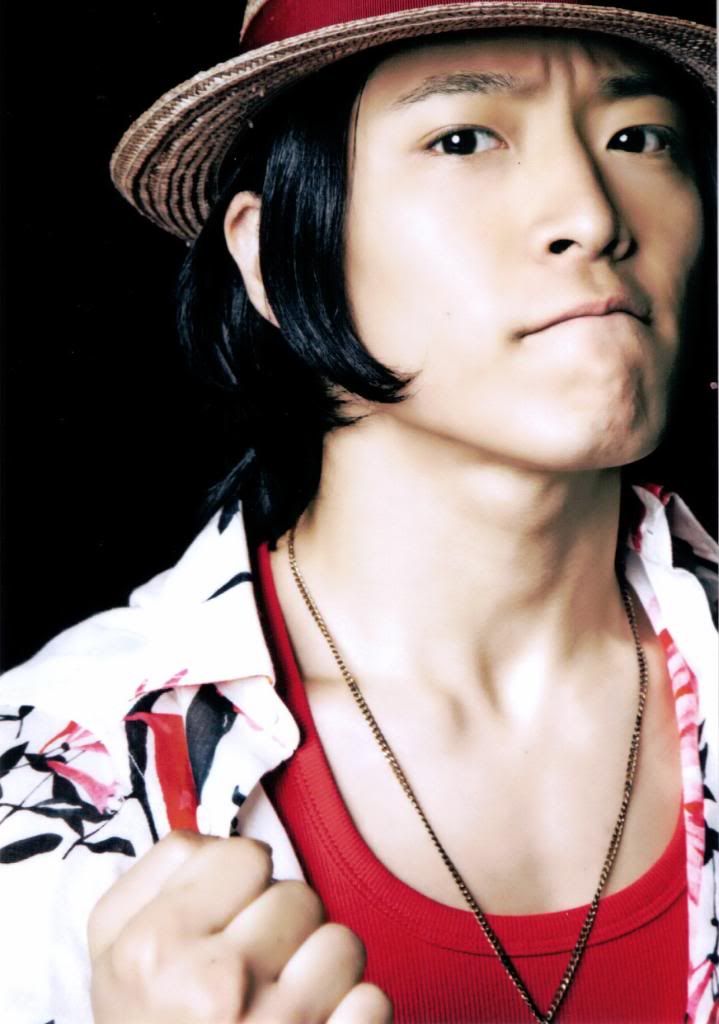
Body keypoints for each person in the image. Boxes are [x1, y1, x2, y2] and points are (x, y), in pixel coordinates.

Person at [0, 1, 716, 1021]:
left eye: (637, 138)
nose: (592, 217)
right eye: (462, 139)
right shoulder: (49, 776)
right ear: (271, 254)